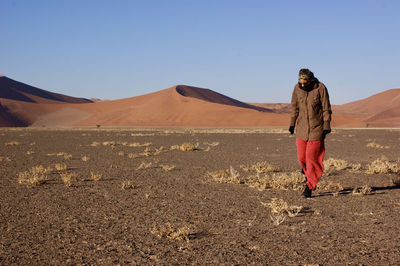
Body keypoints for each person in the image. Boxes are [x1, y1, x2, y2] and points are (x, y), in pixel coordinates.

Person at [289, 69, 332, 198]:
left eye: (305, 83)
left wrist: (326, 126)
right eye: (300, 82)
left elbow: (326, 108)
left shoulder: (321, 88)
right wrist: (292, 123)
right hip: (301, 129)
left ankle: (309, 186)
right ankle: (309, 173)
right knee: (302, 158)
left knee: (311, 158)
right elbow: (294, 107)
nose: (302, 85)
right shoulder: (297, 89)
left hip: (317, 129)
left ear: (311, 80)